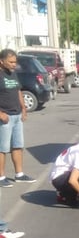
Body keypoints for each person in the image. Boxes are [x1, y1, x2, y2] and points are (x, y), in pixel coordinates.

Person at [0, 49, 36, 187]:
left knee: (17, 146)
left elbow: (18, 91)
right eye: (11, 62)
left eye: (15, 62)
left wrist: (23, 108)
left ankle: (19, 175)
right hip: (5, 117)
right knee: (2, 148)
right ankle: (1, 177)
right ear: (1, 61)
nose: (14, 64)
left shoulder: (13, 74)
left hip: (16, 116)